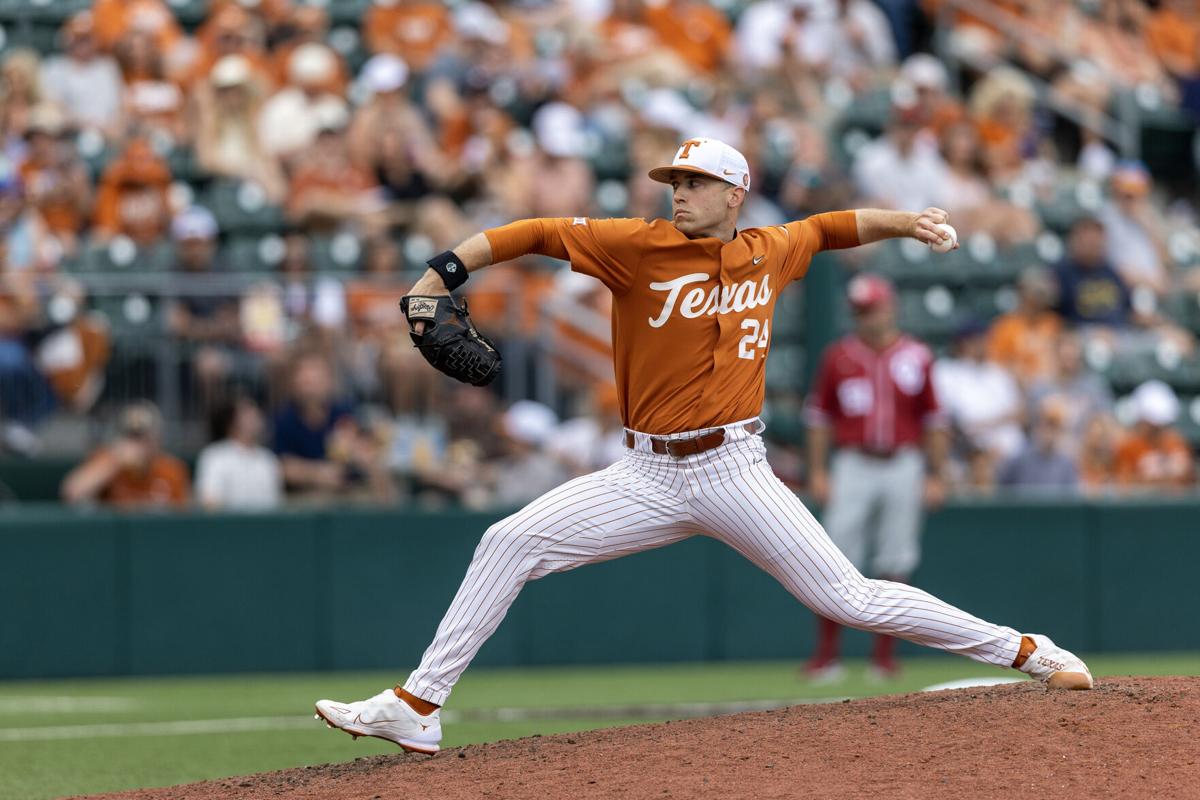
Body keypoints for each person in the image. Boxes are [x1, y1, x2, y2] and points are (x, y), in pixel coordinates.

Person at [314, 136, 1094, 756]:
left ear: (733, 194)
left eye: (692, 182)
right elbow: (538, 231)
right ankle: (418, 707)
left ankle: (1027, 651)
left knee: (848, 598)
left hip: (733, 468)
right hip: (645, 473)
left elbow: (828, 228)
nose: (677, 192)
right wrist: (440, 272)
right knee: (508, 540)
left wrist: (907, 222)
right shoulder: (638, 246)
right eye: (673, 182)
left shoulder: (769, 248)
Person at [802, 273, 949, 681]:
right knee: (831, 560)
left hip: (903, 461)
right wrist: (817, 470)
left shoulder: (916, 355)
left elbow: (934, 419)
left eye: (873, 309)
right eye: (860, 311)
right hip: (853, 462)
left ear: (890, 307)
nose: (867, 318)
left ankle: (883, 659)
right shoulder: (839, 356)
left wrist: (937, 474)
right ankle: (827, 656)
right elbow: (818, 418)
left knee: (895, 558)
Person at [60, 401, 189, 508]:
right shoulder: (108, 460)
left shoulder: (171, 469)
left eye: (142, 436)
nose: (137, 443)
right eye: (132, 435)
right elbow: (72, 493)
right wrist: (115, 462)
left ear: (157, 438)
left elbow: (185, 514)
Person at [195, 395, 282, 511]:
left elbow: (276, 505)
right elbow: (209, 502)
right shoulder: (214, 456)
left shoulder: (268, 459)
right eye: (247, 414)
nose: (254, 418)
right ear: (231, 421)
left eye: (255, 414)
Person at [1112, 380, 1194, 492]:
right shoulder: (1127, 446)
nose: (1157, 429)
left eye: (1161, 425)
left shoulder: (1174, 441)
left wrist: (1168, 468)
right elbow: (1122, 487)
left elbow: (1187, 477)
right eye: (1152, 424)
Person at [996, 396, 1079, 493]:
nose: (1050, 431)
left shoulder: (1066, 465)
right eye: (1047, 424)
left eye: (1056, 426)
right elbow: (1001, 494)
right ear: (1038, 424)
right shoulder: (1017, 460)